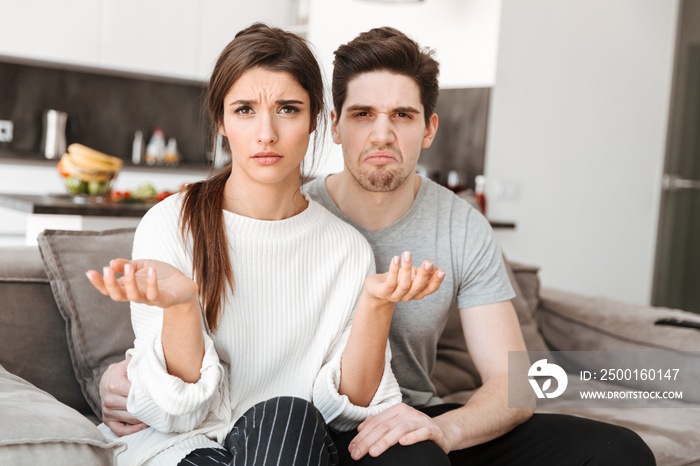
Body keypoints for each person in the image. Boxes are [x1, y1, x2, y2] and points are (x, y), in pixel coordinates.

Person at [100, 26, 656, 465]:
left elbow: (514, 382)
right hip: (321, 431)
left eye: (403, 116)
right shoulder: (249, 203)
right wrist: (124, 371)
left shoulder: (449, 228)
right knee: (296, 421)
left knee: (621, 450)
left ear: (429, 128)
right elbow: (164, 356)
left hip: (399, 416)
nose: (383, 135)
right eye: (364, 115)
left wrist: (443, 427)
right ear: (335, 125)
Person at [87, 23, 445, 466]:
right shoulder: (170, 224)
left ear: (316, 119)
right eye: (244, 110)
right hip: (183, 449)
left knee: (290, 418)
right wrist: (181, 307)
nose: (266, 133)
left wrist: (376, 304)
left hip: (291, 446)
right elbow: (172, 411)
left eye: (288, 109)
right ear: (220, 120)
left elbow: (348, 410)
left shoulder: (346, 249)